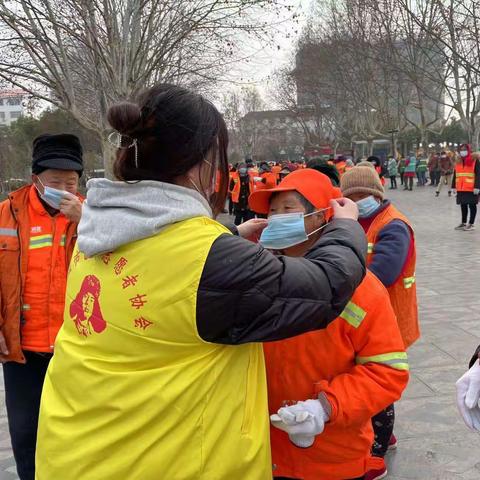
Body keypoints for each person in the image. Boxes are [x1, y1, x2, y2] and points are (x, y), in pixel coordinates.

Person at [35, 84, 367, 480]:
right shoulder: (208, 260)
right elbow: (326, 288)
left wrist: (225, 238)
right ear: (202, 163)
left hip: (76, 450)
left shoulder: (98, 226)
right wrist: (347, 229)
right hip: (166, 463)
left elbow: (172, 269)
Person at [248, 169, 409, 480]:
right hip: (263, 452)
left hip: (332, 457)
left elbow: (388, 372)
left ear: (323, 216)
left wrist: (325, 408)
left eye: (288, 209)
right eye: (272, 211)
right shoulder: (257, 276)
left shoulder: (362, 289)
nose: (276, 218)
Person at [0, 134, 84, 480]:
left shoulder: (92, 214)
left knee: (78, 433)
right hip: (23, 349)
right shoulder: (8, 214)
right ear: (36, 179)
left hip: (77, 347)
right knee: (25, 433)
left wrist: (87, 217)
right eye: (55, 181)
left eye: (71, 181)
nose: (64, 187)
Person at [341, 164, 420, 480]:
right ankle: (383, 434)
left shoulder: (393, 226)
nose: (358, 200)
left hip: (391, 320)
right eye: (351, 196)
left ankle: (378, 448)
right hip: (364, 318)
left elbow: (383, 272)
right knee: (363, 378)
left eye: (363, 195)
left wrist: (334, 277)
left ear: (376, 193)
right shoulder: (355, 221)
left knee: (377, 383)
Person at [452, 144, 480, 231]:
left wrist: (477, 186)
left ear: (468, 150)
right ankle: (463, 223)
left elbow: (478, 174)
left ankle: (471, 224)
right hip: (461, 188)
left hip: (472, 188)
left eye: (464, 149)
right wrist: (453, 186)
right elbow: (455, 174)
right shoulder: (458, 161)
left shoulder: (474, 160)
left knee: (472, 205)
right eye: (461, 150)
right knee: (463, 205)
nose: (462, 151)